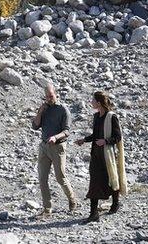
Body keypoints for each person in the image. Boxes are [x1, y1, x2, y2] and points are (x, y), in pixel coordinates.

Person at [79, 90, 127, 223]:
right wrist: (84, 140)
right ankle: (94, 213)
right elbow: (96, 135)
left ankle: (115, 202)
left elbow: (117, 137)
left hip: (107, 156)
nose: (91, 102)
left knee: (111, 179)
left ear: (99, 103)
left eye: (93, 100)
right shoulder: (96, 117)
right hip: (96, 155)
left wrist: (105, 141)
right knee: (94, 181)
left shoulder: (111, 117)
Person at [31, 84, 77, 218]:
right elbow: (34, 126)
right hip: (44, 146)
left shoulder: (63, 110)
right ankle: (47, 208)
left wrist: (55, 137)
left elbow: (67, 131)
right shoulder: (44, 109)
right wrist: (40, 111)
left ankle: (72, 200)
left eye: (51, 96)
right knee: (42, 178)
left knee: (60, 177)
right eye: (47, 97)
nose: (49, 99)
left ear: (55, 94)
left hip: (58, 147)